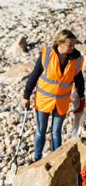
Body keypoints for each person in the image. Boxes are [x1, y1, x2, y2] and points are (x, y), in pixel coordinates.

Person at [21, 29, 85, 161]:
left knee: (56, 133)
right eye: (69, 45)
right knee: (40, 131)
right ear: (59, 43)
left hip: (62, 101)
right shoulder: (46, 55)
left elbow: (79, 80)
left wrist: (82, 97)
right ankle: (37, 158)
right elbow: (34, 76)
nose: (73, 48)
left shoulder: (76, 59)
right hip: (43, 100)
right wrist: (26, 95)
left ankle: (56, 160)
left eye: (74, 45)